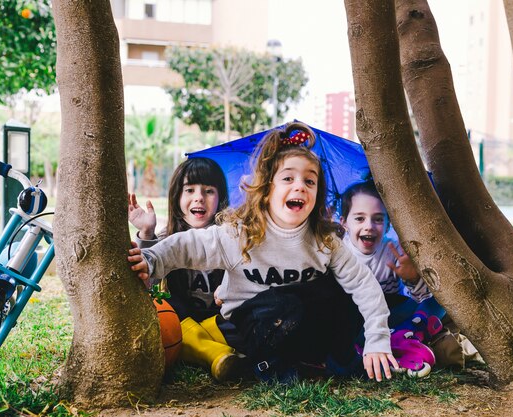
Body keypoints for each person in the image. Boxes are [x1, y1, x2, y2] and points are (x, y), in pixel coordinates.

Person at [128, 121, 398, 383]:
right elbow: (188, 246)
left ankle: (335, 359)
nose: (300, 186)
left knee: (339, 293)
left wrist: (377, 339)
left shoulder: (324, 241)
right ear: (267, 189)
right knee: (284, 304)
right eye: (288, 178)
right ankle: (269, 367)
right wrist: (152, 260)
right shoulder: (240, 234)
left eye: (310, 181)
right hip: (255, 323)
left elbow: (363, 284)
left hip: (299, 319)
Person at [129, 157, 245, 382]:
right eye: (189, 190)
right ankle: (216, 354)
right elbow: (146, 283)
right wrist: (146, 233)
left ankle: (198, 347)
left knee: (246, 319)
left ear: (221, 197)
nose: (199, 197)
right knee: (165, 308)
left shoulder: (231, 237)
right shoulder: (167, 239)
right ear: (176, 197)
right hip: (180, 320)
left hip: (219, 322)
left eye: (208, 191)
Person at [340, 179, 474, 368]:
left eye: (378, 219)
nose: (369, 225)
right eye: (359, 218)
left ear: (387, 225)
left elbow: (420, 298)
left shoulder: (394, 250)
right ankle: (390, 340)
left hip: (392, 313)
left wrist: (412, 278)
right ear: (344, 223)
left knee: (440, 299)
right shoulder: (338, 251)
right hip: (356, 318)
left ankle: (405, 337)